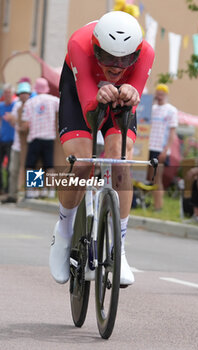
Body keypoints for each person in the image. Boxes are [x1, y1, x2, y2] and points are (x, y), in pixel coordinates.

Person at [49, 11, 154, 286]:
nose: (117, 66)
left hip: (120, 97)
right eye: (107, 57)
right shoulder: (79, 44)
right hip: (80, 90)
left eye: (126, 59)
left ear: (137, 52)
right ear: (96, 48)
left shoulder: (147, 53)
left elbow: (136, 91)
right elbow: (87, 103)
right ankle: (63, 229)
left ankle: (118, 247)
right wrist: (98, 96)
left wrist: (132, 93)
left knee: (121, 160)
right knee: (82, 163)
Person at [21, 77, 59, 199]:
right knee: (49, 165)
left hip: (35, 136)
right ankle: (51, 191)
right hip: (49, 137)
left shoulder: (29, 103)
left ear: (36, 89)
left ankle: (33, 190)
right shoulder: (54, 100)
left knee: (32, 164)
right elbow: (62, 110)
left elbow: (26, 124)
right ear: (46, 89)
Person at [147, 84, 178, 211]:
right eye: (157, 93)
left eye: (161, 93)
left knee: (157, 177)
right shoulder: (152, 108)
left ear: (166, 95)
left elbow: (172, 132)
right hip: (149, 146)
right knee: (150, 177)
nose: (159, 95)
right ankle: (153, 202)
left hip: (160, 148)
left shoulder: (171, 110)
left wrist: (166, 149)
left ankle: (158, 206)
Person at [1, 82, 32, 203]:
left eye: (25, 93)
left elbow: (26, 125)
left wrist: (17, 122)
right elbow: (13, 121)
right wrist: (16, 122)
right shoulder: (17, 106)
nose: (23, 95)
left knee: (31, 169)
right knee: (12, 170)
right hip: (17, 144)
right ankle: (12, 195)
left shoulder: (32, 104)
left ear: (29, 94)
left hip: (30, 143)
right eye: (21, 93)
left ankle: (30, 194)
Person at [0, 84, 15, 194]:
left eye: (9, 93)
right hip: (2, 139)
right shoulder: (1, 106)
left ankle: (8, 190)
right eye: (5, 93)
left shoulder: (16, 105)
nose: (7, 95)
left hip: (13, 140)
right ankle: (1, 188)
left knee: (10, 167)